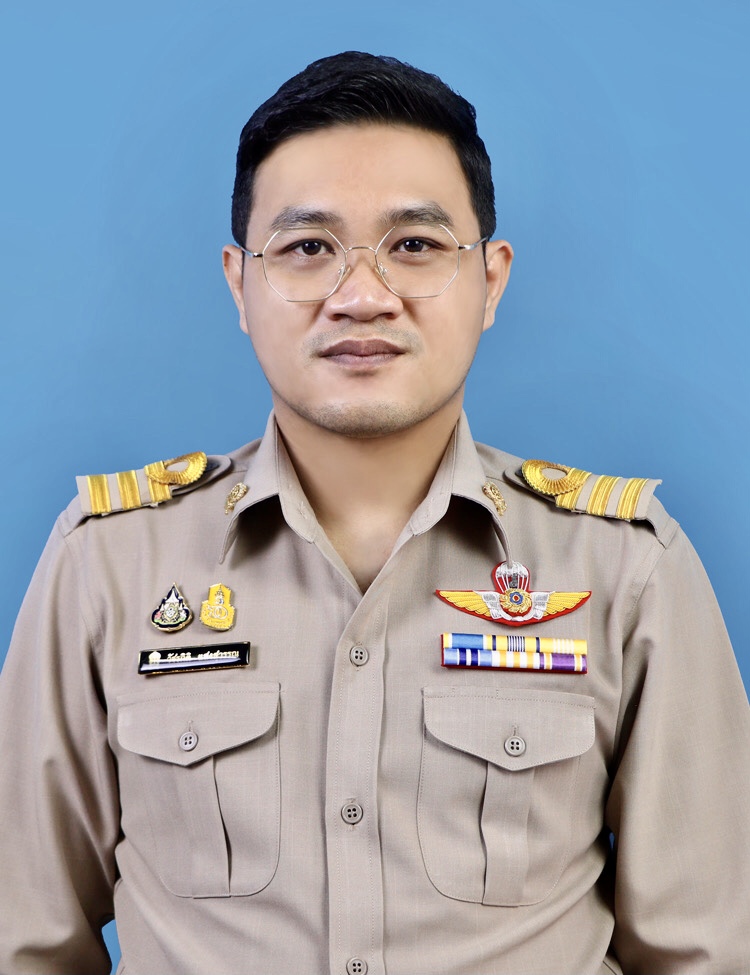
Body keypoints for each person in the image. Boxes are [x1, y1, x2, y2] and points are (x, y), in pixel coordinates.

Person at [0, 51, 748, 975]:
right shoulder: (109, 563)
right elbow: (24, 941)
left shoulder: (627, 568)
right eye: (308, 248)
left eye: (415, 245)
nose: (362, 296)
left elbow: (707, 953)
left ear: (492, 280)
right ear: (239, 283)